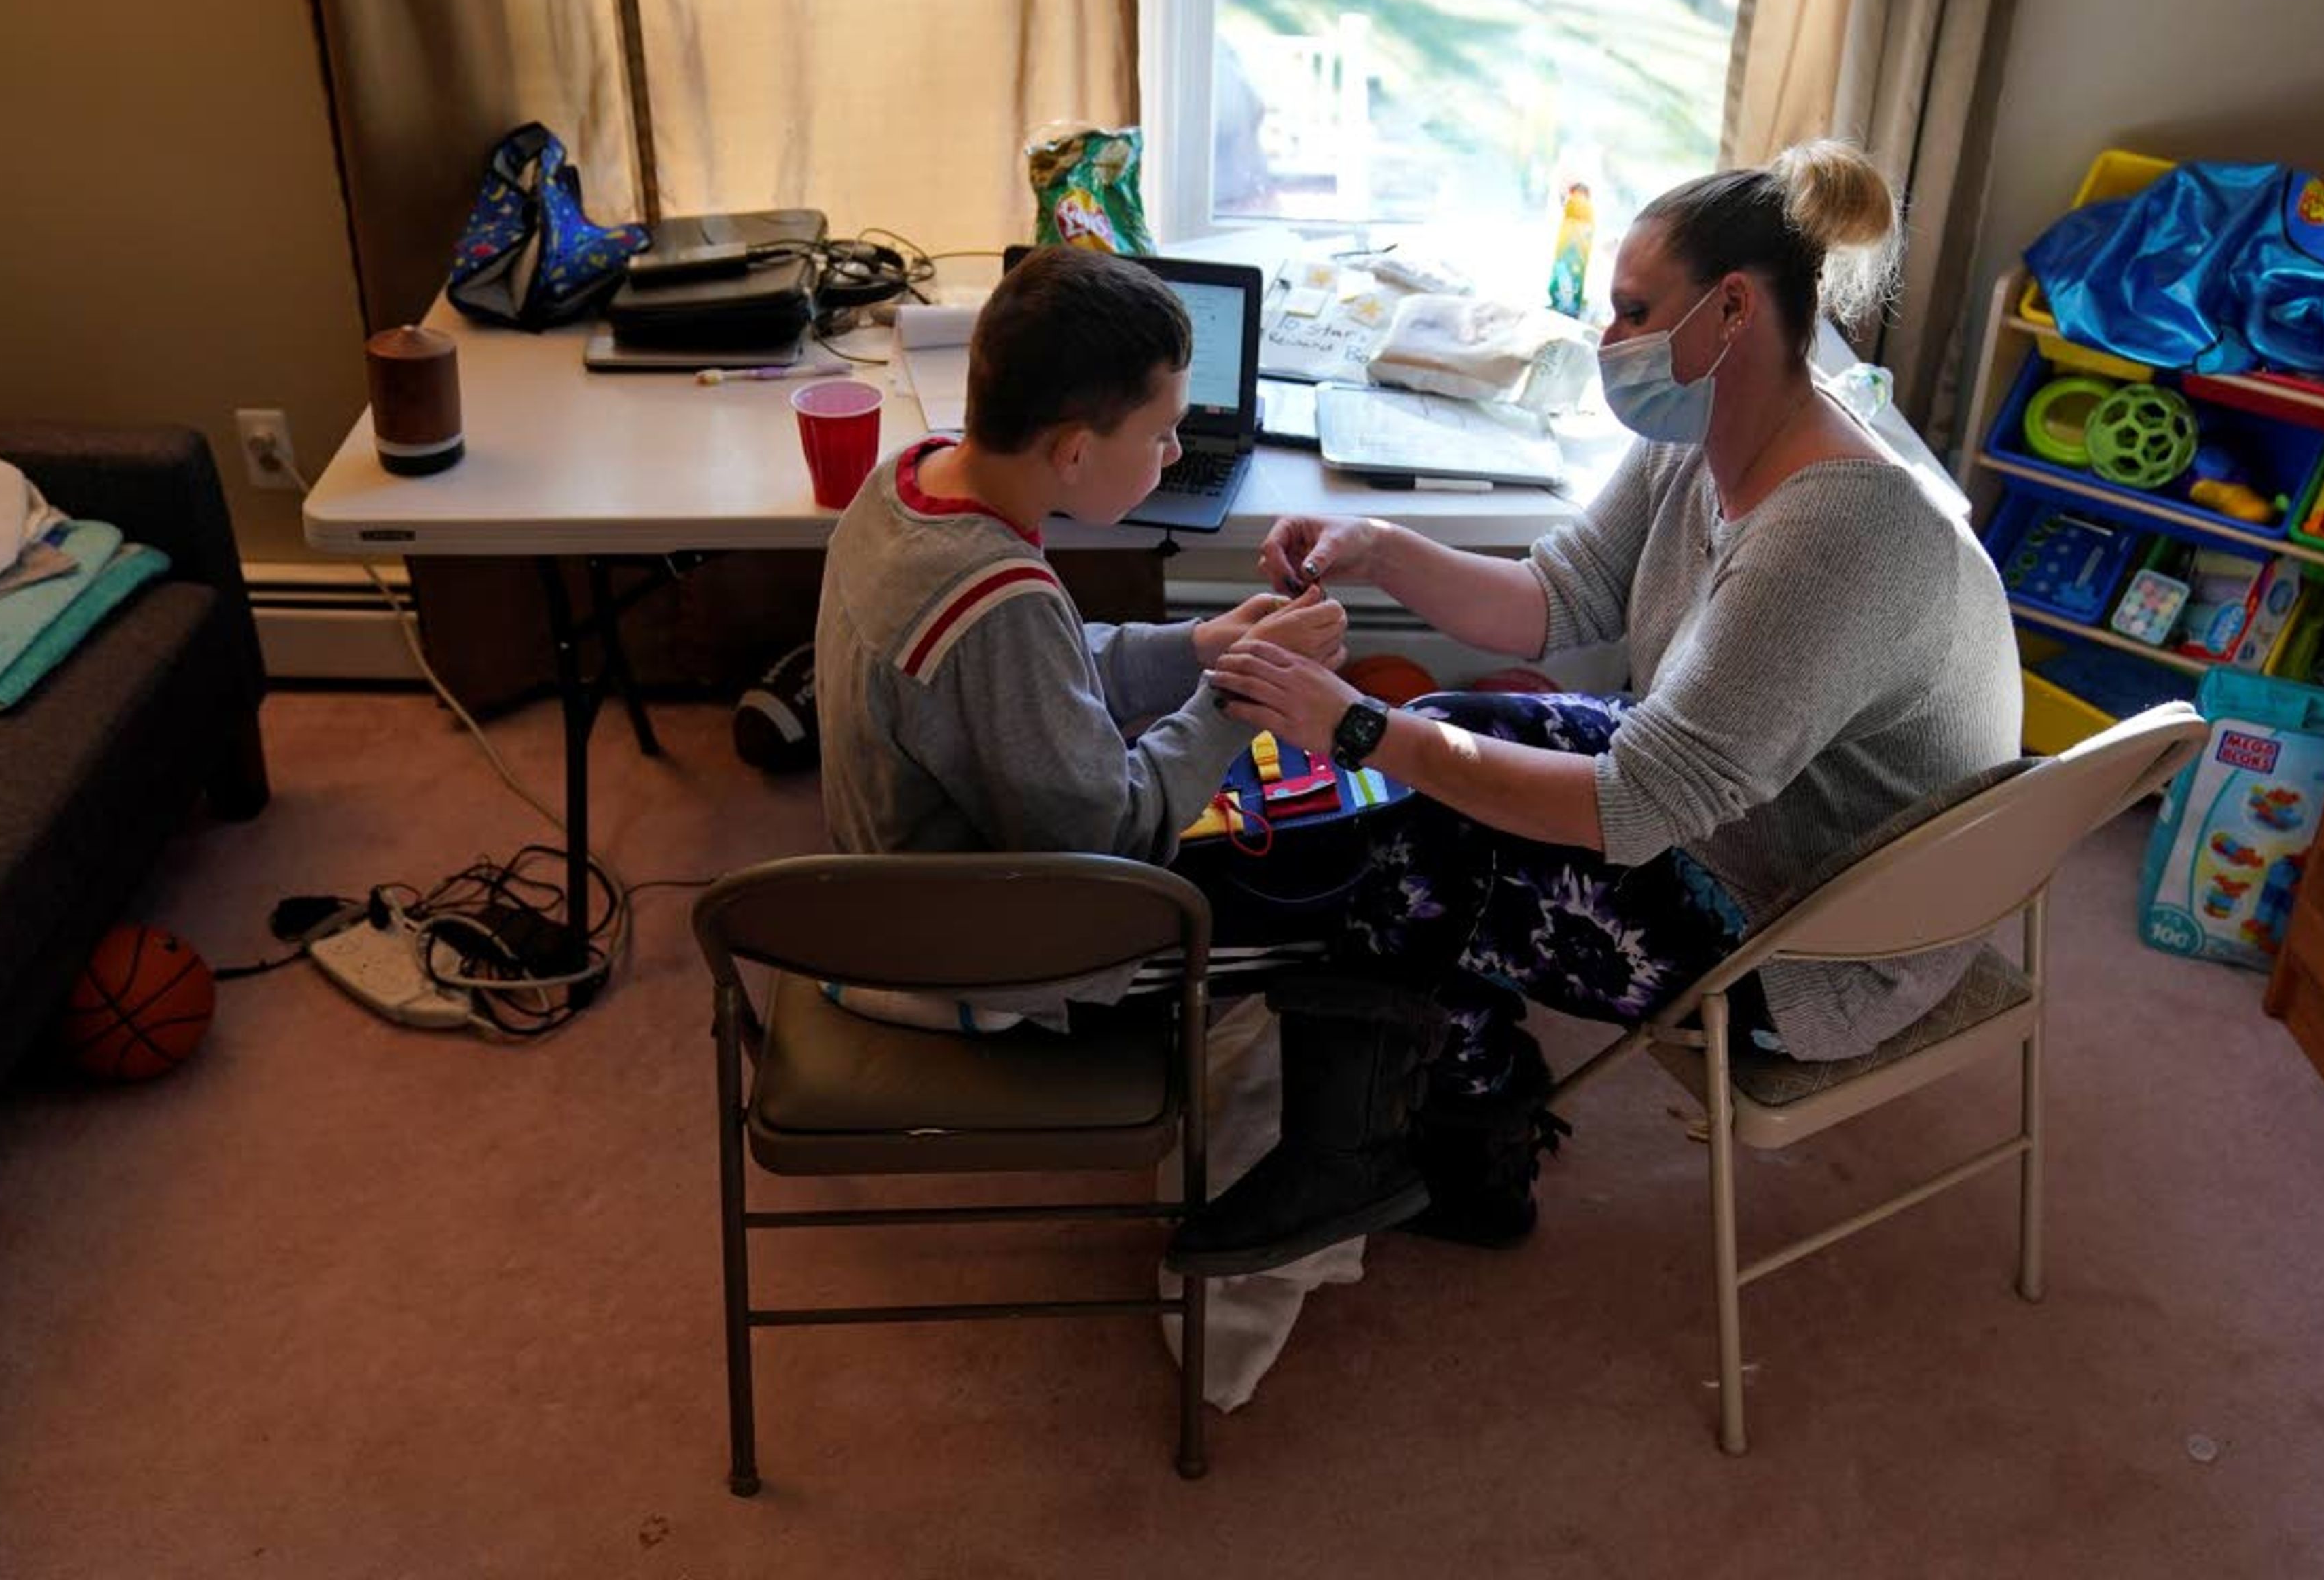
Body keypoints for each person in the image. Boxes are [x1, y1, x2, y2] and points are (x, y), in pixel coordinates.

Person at [1165, 141, 2022, 1277]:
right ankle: (1456, 1108)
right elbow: (1553, 599)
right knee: (1459, 747)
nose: (1609, 341)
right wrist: (1375, 549)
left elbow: (1628, 809)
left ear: (1730, 310)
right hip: (1736, 811)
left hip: (1819, 940)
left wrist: (1358, 727)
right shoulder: (1710, 438)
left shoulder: (1837, 536)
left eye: (1631, 311)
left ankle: (1411, 1149)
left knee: (1409, 830)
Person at [812, 245, 1346, 1030]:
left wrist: (1199, 646)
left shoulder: (908, 478)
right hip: (982, 950)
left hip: (889, 875)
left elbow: (1028, 675)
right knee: (1336, 916)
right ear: (1073, 450)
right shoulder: (996, 606)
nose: (1174, 453)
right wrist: (1239, 696)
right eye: (1163, 433)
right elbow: (1113, 842)